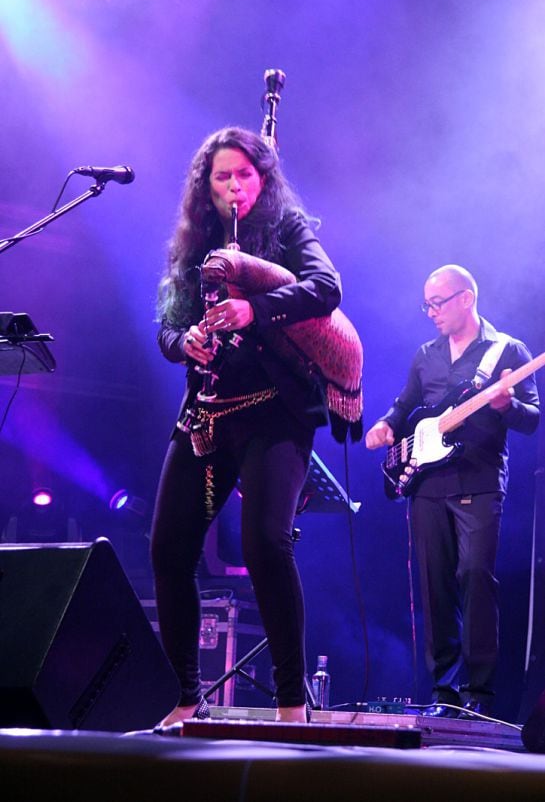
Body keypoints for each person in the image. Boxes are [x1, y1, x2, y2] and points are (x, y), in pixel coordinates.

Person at [150, 127, 342, 728]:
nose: (234, 187)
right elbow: (165, 330)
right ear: (204, 188)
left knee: (265, 541)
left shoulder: (287, 229)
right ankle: (186, 698)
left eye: (244, 176)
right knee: (168, 550)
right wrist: (188, 343)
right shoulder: (191, 245)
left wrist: (253, 308)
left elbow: (327, 288)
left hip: (274, 409)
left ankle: (290, 704)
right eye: (221, 178)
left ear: (263, 179)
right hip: (208, 410)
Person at [365, 265, 540, 718]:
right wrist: (386, 424)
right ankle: (443, 692)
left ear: (466, 299)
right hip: (427, 484)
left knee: (476, 577)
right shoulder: (426, 353)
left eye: (437, 303)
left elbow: (533, 418)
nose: (430, 313)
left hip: (479, 482)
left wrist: (507, 405)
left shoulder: (508, 351)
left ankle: (478, 695)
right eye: (426, 304)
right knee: (434, 586)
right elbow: (406, 404)